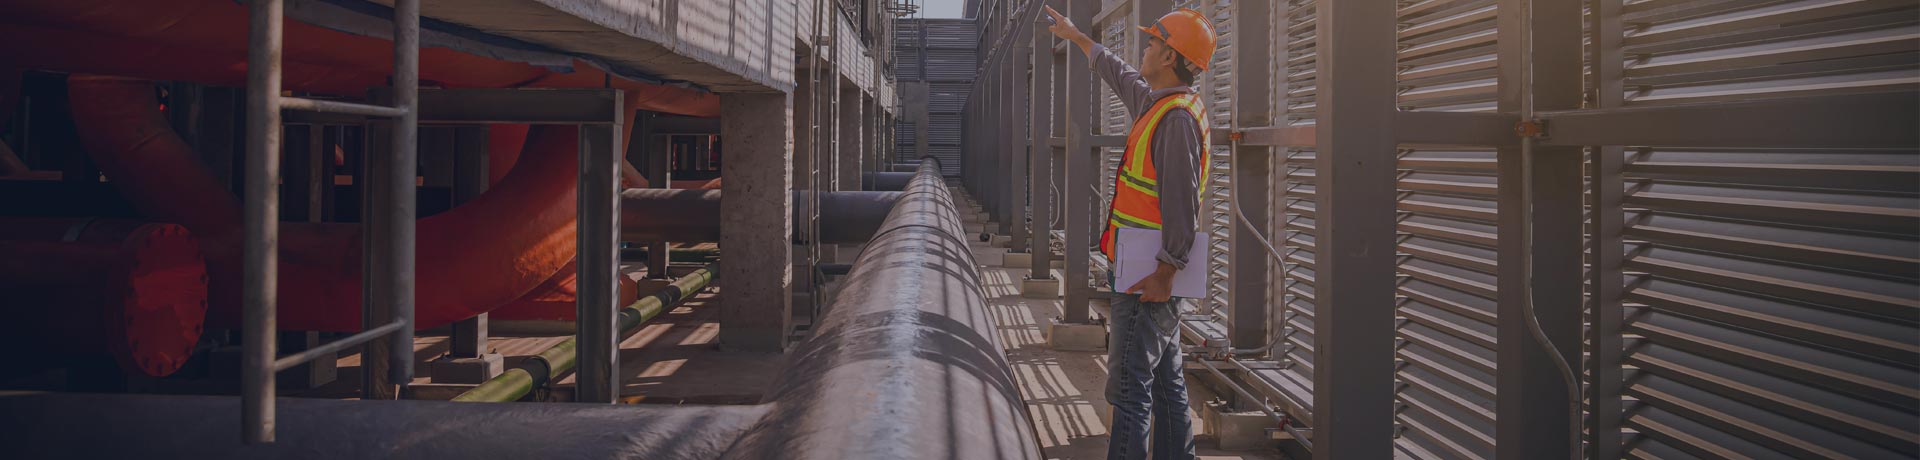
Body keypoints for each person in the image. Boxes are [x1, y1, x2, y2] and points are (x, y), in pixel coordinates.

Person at [1044, 6, 1218, 460]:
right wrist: (1079, 38)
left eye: (1153, 43)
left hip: (1148, 276)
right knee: (1165, 381)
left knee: (1128, 386)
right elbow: (1119, 73)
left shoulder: (1175, 120)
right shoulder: (1160, 103)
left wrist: (1166, 271)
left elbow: (1183, 205)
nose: (1145, 48)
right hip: (1142, 267)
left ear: (1170, 57)